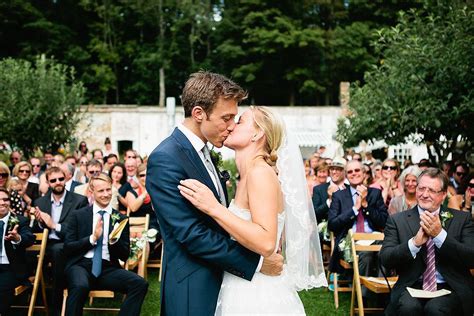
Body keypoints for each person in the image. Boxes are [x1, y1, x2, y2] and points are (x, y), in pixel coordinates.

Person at [146, 72, 286, 316]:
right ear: (199, 113)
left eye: (236, 119)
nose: (231, 125)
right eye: (227, 117)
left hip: (225, 280)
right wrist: (258, 263)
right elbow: (191, 234)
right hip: (193, 285)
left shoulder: (206, 152)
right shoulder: (166, 158)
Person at [178, 105, 326, 314]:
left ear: (258, 133)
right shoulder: (250, 175)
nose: (231, 126)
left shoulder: (260, 173)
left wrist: (214, 208)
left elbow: (266, 242)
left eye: (240, 121)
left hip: (258, 293)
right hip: (242, 281)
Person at [380, 168, 474, 316]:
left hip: (450, 286)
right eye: (421, 188)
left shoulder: (462, 219)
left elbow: (471, 258)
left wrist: (440, 236)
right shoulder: (398, 220)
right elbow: (386, 259)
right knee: (408, 309)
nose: (424, 194)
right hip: (412, 285)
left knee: (436, 309)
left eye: (431, 190)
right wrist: (414, 243)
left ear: (443, 195)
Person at [63, 173, 148, 316]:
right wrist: (92, 238)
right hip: (80, 265)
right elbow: (68, 248)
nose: (106, 194)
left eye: (108, 189)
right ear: (92, 191)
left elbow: (124, 255)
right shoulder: (78, 215)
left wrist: (113, 242)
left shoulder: (120, 219)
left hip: (107, 268)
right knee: (80, 286)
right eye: (101, 191)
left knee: (140, 284)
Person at [32, 167, 88, 315]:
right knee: (29, 253)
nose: (58, 182)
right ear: (48, 183)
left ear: (66, 179)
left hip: (67, 245)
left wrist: (54, 225)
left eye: (60, 179)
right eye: (53, 180)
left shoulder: (79, 200)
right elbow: (35, 232)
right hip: (46, 245)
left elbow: (77, 232)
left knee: (58, 251)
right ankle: (33, 296)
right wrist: (39, 222)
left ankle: (56, 304)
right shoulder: (40, 202)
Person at [328, 160, 388, 274]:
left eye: (357, 170)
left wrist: (366, 205)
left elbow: (384, 222)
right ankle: (364, 292)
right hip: (350, 241)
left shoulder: (375, 193)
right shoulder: (339, 196)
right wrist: (354, 210)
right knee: (366, 254)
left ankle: (382, 289)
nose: (354, 173)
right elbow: (332, 225)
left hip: (374, 238)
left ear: (364, 173)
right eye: (350, 172)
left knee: (386, 251)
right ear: (346, 176)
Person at [0, 187, 35, 315]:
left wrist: (17, 238)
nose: (2, 202)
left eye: (5, 199)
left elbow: (29, 238)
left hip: (12, 268)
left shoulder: (19, 221)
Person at [312, 157, 347, 224]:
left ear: (344, 171)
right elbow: (314, 214)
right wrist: (329, 201)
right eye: (332, 169)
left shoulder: (349, 188)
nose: (334, 172)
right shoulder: (319, 189)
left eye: (338, 169)